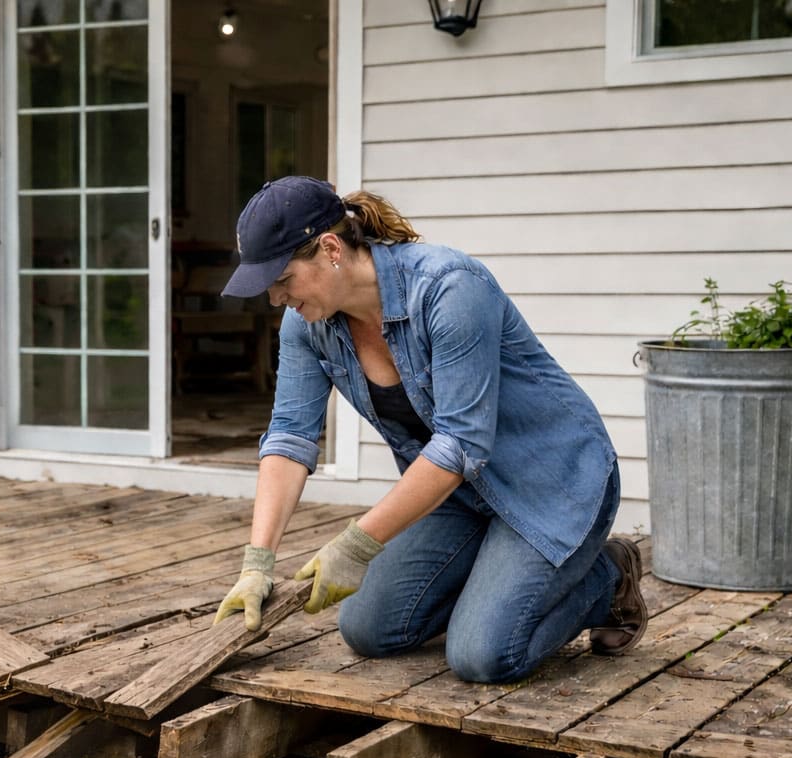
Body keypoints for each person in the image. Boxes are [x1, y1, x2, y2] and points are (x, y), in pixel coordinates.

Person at [212, 177, 647, 684]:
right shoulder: (308, 324)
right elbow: (289, 434)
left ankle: (607, 577)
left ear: (330, 248)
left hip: (553, 485)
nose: (275, 297)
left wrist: (355, 546)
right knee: (368, 629)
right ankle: (498, 581)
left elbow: (460, 444)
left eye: (282, 278)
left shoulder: (449, 288)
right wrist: (257, 563)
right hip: (461, 498)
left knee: (482, 655)